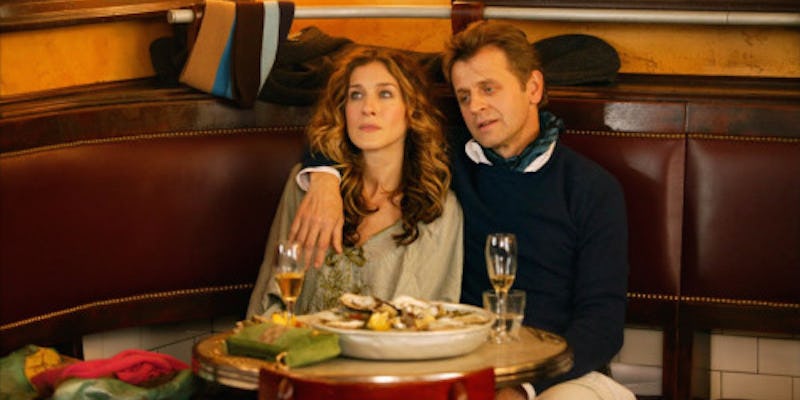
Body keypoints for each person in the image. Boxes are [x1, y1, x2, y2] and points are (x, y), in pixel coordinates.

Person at [291, 21, 634, 400]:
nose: (476, 107)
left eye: (489, 89)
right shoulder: (445, 164)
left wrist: (524, 388)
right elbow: (353, 127)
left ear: (533, 88)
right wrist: (323, 179)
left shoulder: (591, 188)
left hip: (562, 375)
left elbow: (602, 326)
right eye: (464, 95)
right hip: (468, 366)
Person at [246, 47, 463, 318]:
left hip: (392, 345)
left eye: (385, 94)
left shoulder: (439, 208)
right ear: (343, 110)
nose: (367, 108)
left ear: (411, 110)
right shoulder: (306, 185)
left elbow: (432, 320)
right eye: (356, 95)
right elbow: (271, 296)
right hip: (303, 344)